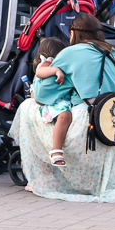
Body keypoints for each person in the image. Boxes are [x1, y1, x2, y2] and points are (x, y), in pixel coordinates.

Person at [10, 13, 115, 203]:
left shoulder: (71, 53)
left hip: (88, 123)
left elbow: (41, 96)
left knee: (28, 106)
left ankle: (44, 178)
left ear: (73, 33)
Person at [30, 38, 72, 167]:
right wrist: (55, 70)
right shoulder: (47, 63)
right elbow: (39, 72)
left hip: (57, 97)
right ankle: (56, 150)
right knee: (65, 115)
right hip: (52, 101)